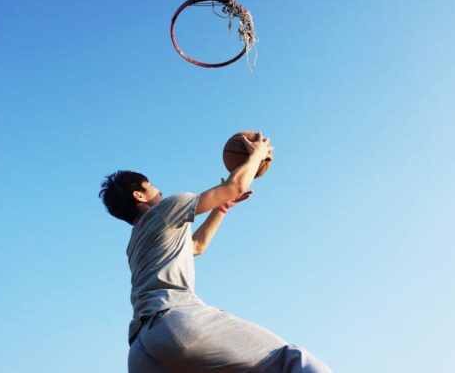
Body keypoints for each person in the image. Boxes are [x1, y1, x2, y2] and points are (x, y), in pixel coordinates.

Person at [99, 132, 332, 373]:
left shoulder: (137, 243)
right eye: (153, 189)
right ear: (139, 195)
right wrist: (257, 154)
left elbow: (197, 245)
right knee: (289, 360)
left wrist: (221, 207)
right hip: (175, 323)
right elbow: (236, 185)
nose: (160, 193)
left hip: (140, 352)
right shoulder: (166, 209)